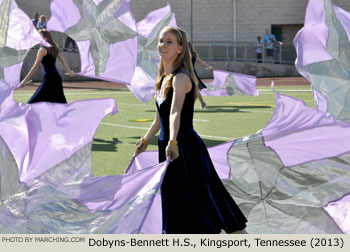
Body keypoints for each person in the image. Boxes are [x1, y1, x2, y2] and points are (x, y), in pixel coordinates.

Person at [134, 26, 247, 234]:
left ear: (180, 49)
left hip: (185, 148)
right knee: (177, 201)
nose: (163, 45)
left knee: (207, 199)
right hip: (168, 147)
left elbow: (175, 112)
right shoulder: (162, 79)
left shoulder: (181, 77)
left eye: (169, 42)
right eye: (161, 41)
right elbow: (160, 118)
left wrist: (173, 141)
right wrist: (145, 139)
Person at [20, 29, 75, 104]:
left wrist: (24, 81)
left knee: (32, 103)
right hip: (56, 78)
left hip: (49, 79)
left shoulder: (42, 50)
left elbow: (34, 68)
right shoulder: (54, 46)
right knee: (59, 105)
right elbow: (62, 61)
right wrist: (69, 72)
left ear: (45, 38)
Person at [188, 42, 212, 109]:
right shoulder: (184, 54)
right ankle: (201, 103)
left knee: (195, 89)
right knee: (194, 90)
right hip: (186, 73)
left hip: (191, 74)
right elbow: (201, 62)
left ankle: (200, 103)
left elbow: (201, 62)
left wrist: (208, 67)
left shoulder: (191, 55)